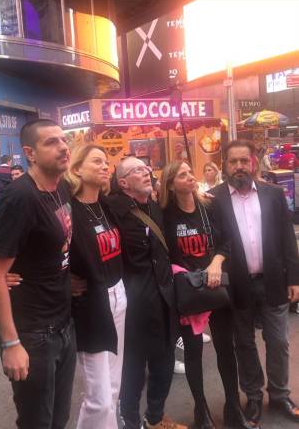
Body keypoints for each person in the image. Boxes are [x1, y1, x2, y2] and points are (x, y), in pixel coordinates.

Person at [0, 119, 76, 429]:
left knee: (59, 419)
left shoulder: (61, 186)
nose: (63, 147)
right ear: (30, 153)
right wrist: (11, 343)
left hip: (63, 325)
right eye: (51, 142)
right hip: (33, 334)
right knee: (37, 422)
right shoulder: (18, 198)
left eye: (64, 140)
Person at [160, 160, 256, 429]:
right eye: (182, 175)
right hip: (190, 295)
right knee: (193, 354)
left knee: (226, 350)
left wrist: (216, 262)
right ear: (171, 185)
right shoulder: (166, 214)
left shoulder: (209, 206)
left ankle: (233, 408)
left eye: (190, 172)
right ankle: (201, 411)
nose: (190, 177)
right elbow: (163, 253)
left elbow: (227, 241)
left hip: (217, 287)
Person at [210, 139, 299, 426]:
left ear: (253, 163)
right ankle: (254, 396)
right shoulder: (214, 199)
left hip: (274, 280)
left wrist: (295, 278)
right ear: (225, 165)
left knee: (279, 341)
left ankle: (280, 393)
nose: (239, 166)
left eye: (243, 161)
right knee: (244, 343)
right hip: (237, 285)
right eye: (233, 161)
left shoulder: (274, 194)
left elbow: (288, 238)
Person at [107, 156, 186, 429]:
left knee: (163, 366)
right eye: (137, 170)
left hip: (164, 300)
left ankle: (155, 417)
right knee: (132, 371)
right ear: (123, 182)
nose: (146, 172)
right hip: (133, 306)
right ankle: (130, 421)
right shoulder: (111, 209)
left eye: (146, 168)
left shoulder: (155, 206)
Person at [66, 144, 126, 429]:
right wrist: (60, 279)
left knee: (114, 387)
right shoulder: (66, 210)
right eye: (97, 161)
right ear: (77, 169)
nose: (106, 166)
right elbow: (38, 252)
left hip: (119, 297)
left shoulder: (107, 206)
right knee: (99, 398)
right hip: (90, 306)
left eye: (107, 162)